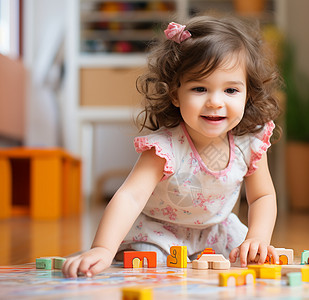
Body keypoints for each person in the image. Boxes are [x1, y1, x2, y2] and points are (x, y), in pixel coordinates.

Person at [62, 15, 282, 278]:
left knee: (249, 259)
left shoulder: (250, 143)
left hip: (218, 231)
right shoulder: (164, 148)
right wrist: (102, 248)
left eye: (231, 90)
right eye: (200, 88)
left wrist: (257, 237)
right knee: (148, 264)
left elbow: (262, 197)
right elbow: (130, 197)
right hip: (161, 233)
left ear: (248, 94)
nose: (215, 102)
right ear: (175, 95)